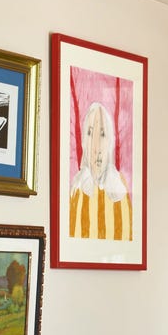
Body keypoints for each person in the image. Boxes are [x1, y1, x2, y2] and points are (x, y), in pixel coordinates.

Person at [69, 101, 132, 241]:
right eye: (90, 133)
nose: (96, 146)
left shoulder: (119, 187)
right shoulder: (77, 187)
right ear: (84, 141)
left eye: (103, 134)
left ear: (110, 141)